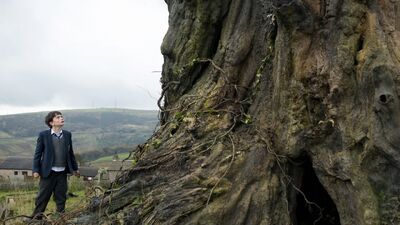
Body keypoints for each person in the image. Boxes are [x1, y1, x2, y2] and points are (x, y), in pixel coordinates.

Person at [31, 111, 80, 219]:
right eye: (58, 117)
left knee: (61, 197)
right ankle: (36, 219)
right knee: (42, 198)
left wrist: (75, 168)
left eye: (61, 116)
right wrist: (35, 170)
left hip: (62, 173)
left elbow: (70, 153)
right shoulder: (44, 135)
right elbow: (37, 154)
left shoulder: (67, 134)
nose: (61, 118)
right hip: (48, 173)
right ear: (51, 122)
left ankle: (60, 218)